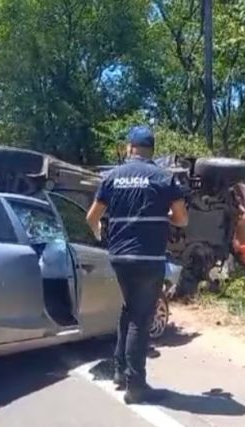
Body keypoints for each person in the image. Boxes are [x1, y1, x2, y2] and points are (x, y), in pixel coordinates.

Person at [86, 125, 189, 404]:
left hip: (119, 257)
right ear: (151, 151)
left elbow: (91, 217)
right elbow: (183, 220)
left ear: (130, 148)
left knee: (128, 310)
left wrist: (101, 236)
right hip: (148, 258)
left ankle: (120, 372)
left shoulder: (112, 177)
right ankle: (136, 385)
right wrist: (164, 214)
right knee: (141, 320)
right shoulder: (163, 178)